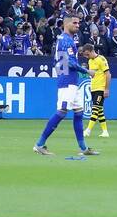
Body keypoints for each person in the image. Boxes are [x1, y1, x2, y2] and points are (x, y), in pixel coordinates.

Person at [34, 17, 98, 156]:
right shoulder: (65, 40)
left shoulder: (67, 40)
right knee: (62, 111)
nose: (77, 25)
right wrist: (87, 71)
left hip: (71, 80)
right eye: (74, 23)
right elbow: (67, 62)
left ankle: (83, 148)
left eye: (78, 23)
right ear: (66, 24)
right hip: (67, 81)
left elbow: (59, 61)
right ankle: (39, 144)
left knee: (79, 113)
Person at [85, 43, 111, 138]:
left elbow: (108, 74)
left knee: (95, 108)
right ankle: (105, 131)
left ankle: (88, 130)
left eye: (88, 54)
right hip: (93, 88)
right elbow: (92, 75)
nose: (87, 56)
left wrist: (106, 89)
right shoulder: (90, 61)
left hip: (101, 88)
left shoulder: (101, 59)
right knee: (99, 110)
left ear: (92, 51)